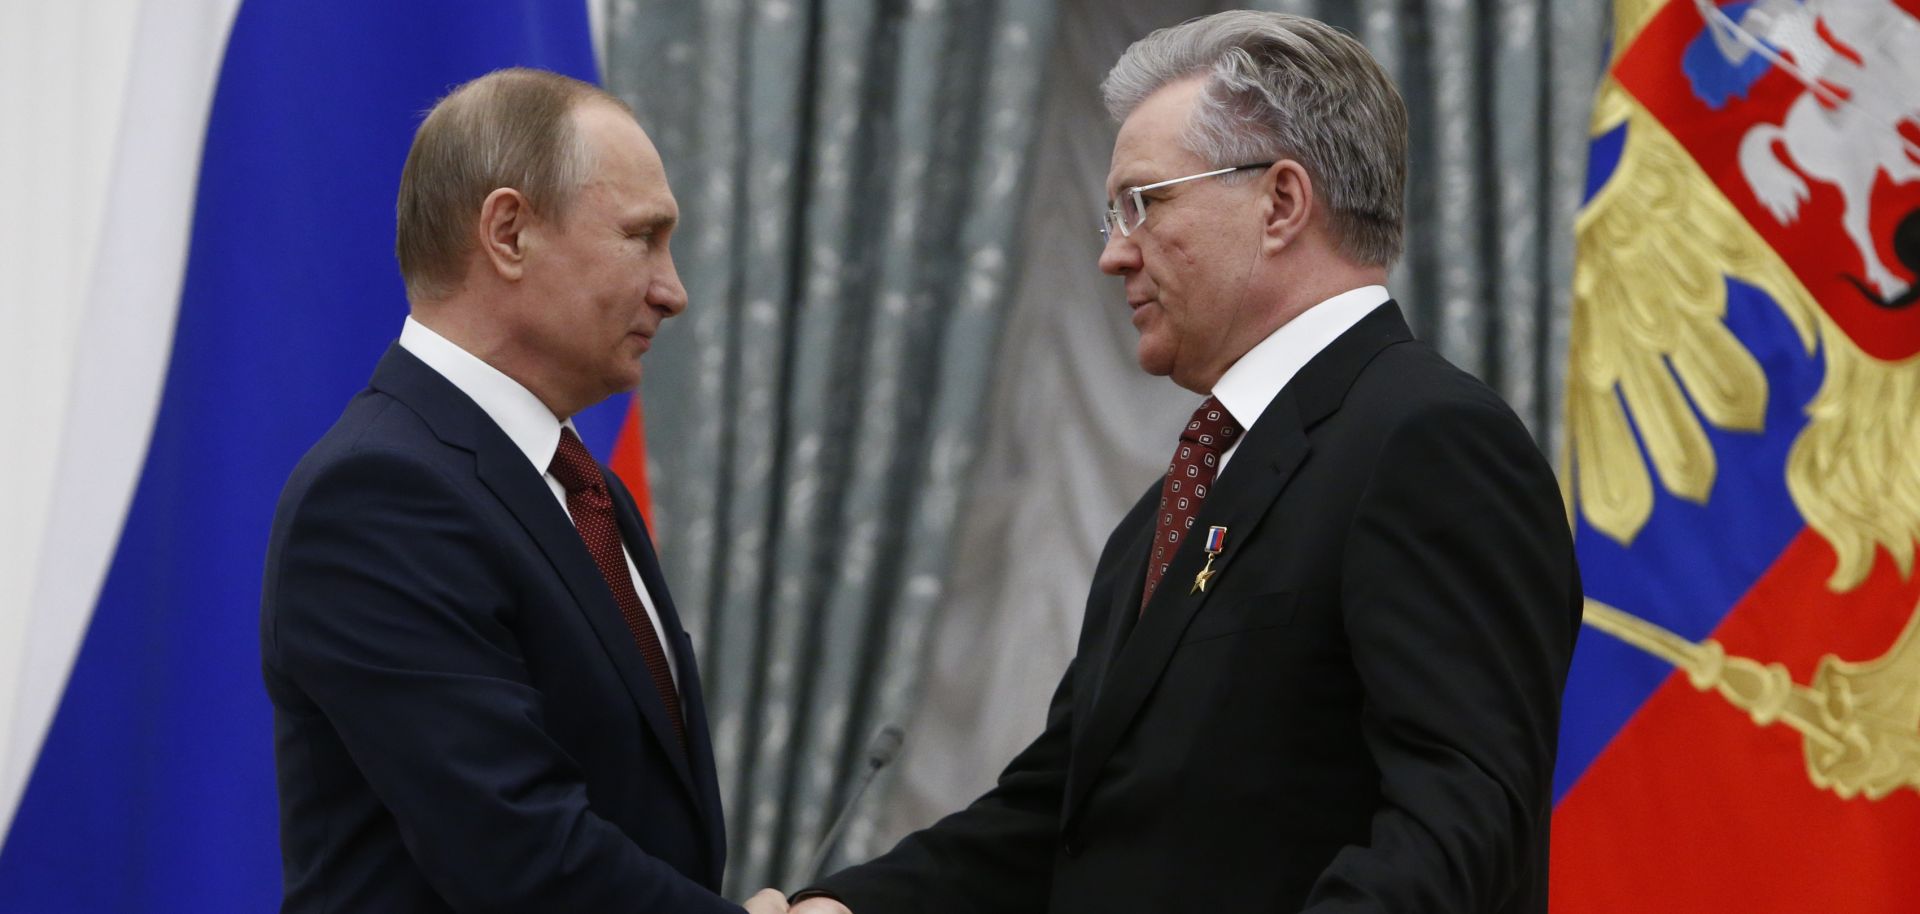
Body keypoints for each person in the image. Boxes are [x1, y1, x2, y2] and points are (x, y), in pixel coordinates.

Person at [792, 11, 1579, 913]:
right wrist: (842, 907)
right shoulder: (1176, 503)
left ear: (1281, 202)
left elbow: (1458, 829)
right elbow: (1061, 813)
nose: (1112, 253)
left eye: (1143, 203)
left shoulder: (1431, 441)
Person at [260, 68, 787, 913]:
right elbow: (514, 850)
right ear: (508, 233)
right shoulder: (378, 495)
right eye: (642, 237)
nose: (674, 291)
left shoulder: (580, 485)